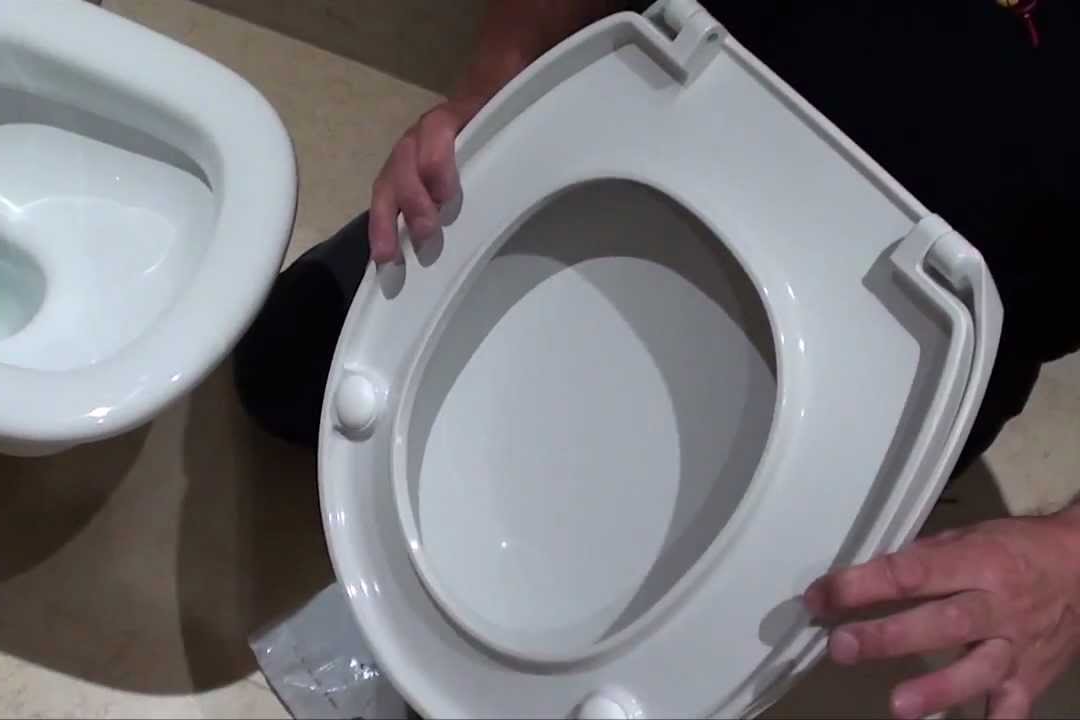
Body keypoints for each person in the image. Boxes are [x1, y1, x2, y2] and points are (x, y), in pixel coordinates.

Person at [232, 1, 1080, 717]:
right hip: (677, 131)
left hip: (889, 346)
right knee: (285, 367)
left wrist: (1067, 556)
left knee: (665, 635)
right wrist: (491, 104)